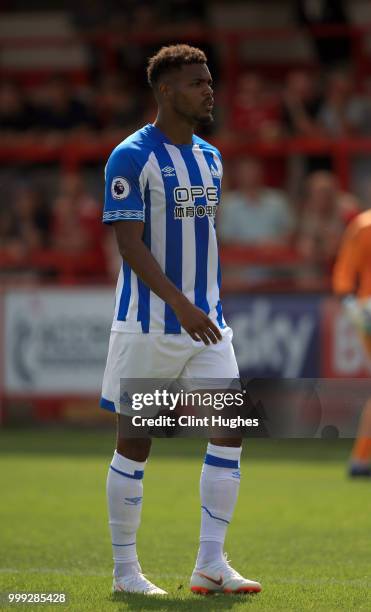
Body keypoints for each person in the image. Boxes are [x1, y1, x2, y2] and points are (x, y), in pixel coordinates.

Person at [100, 44, 262, 596]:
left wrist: (202, 302)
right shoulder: (130, 157)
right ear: (166, 91)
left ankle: (211, 565)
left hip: (207, 325)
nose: (209, 90)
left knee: (231, 427)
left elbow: (202, 237)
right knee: (136, 443)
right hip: (149, 325)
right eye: (197, 82)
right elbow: (130, 245)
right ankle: (126, 574)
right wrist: (179, 303)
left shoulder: (212, 158)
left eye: (210, 80)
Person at [333, 210, 371, 476]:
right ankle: (361, 459)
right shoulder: (364, 225)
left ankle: (361, 459)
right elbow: (345, 272)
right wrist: (351, 304)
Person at [218, 157, 294, 246]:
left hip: (274, 256)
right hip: (239, 258)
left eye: (253, 170)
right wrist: (253, 246)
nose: (250, 175)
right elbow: (224, 239)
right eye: (245, 172)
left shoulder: (278, 200)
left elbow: (290, 233)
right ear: (237, 175)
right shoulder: (228, 203)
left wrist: (271, 245)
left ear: (261, 173)